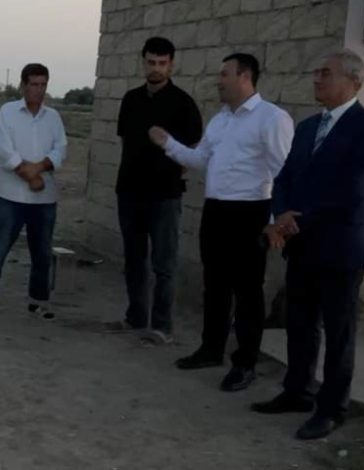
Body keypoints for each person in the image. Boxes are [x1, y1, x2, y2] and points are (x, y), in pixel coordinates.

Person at [251, 49, 364, 440]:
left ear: (353, 81)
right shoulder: (309, 126)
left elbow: (355, 188)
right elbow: (284, 177)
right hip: (302, 245)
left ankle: (332, 408)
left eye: (325, 73)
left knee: (339, 332)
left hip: (342, 246)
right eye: (316, 72)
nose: (316, 79)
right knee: (299, 324)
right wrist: (280, 214)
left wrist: (295, 221)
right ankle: (296, 391)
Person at [149, 53, 294, 390]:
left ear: (245, 77)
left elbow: (284, 172)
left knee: (247, 292)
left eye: (224, 74)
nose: (219, 81)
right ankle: (211, 349)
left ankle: (245, 363)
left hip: (250, 213)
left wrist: (276, 221)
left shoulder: (271, 118)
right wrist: (168, 144)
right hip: (216, 211)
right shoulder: (220, 120)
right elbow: (200, 159)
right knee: (214, 286)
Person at [104, 37, 203, 345]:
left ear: (171, 64)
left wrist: (169, 174)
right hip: (129, 192)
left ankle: (162, 326)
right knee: (134, 260)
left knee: (164, 264)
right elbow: (126, 140)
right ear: (143, 62)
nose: (156, 68)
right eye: (151, 62)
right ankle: (135, 317)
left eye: (162, 63)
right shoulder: (131, 99)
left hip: (165, 196)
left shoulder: (183, 103)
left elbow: (192, 149)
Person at [0, 63, 67, 322]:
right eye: (34, 84)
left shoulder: (53, 117)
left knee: (42, 253)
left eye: (43, 85)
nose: (38, 90)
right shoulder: (8, 112)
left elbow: (60, 150)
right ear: (23, 85)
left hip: (44, 198)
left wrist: (38, 169)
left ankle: (39, 300)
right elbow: (4, 150)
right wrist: (29, 175)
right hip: (10, 196)